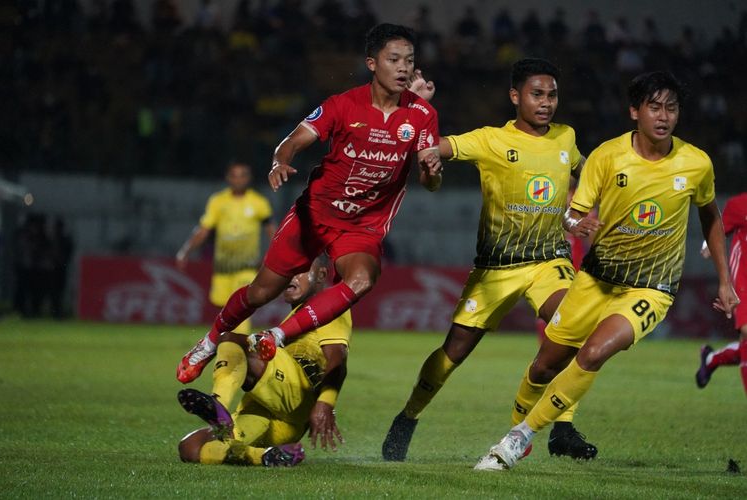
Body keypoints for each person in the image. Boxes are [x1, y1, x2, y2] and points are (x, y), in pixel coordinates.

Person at [475, 70, 740, 471]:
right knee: (544, 365)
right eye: (654, 107)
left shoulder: (696, 162)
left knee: (595, 352)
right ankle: (520, 429)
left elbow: (711, 217)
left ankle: (516, 440)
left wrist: (725, 280)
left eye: (671, 107)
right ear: (635, 111)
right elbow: (572, 211)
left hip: (651, 287)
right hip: (595, 281)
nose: (663, 116)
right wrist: (573, 224)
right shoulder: (606, 156)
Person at [176, 23, 442, 384]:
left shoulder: (422, 115)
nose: (403, 68)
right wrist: (279, 161)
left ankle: (275, 336)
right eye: (393, 59)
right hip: (315, 214)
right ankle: (208, 343)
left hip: (362, 225)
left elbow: (430, 182)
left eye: (409, 61)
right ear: (371, 63)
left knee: (362, 279)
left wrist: (431, 171)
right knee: (261, 292)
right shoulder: (343, 105)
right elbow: (293, 140)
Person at [382, 59, 599, 463]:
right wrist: (423, 140)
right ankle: (408, 416)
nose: (546, 103)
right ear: (516, 96)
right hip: (495, 269)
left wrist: (578, 216)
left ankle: (551, 427)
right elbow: (436, 151)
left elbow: (588, 175)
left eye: (552, 95)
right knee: (454, 353)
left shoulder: (566, 137)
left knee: (573, 325)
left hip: (548, 261)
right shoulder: (490, 140)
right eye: (537, 94)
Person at [177, 255, 351, 467]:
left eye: (300, 270)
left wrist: (326, 403)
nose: (290, 277)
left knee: (231, 339)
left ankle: (218, 403)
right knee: (190, 447)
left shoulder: (330, 307)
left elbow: (338, 358)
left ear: (321, 275)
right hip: (277, 418)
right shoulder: (295, 317)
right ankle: (263, 456)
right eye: (288, 271)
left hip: (297, 392)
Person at [175, 161, 275, 353]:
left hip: (247, 267)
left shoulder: (259, 202)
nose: (238, 179)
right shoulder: (218, 201)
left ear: (249, 178)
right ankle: (228, 345)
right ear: (228, 178)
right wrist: (186, 251)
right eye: (235, 175)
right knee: (225, 310)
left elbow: (271, 230)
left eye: (243, 175)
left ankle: (239, 350)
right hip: (223, 268)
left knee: (243, 309)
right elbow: (204, 230)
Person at [696, 192, 747, 394]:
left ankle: (711, 359)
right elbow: (718, 228)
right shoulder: (740, 205)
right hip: (744, 280)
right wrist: (708, 245)